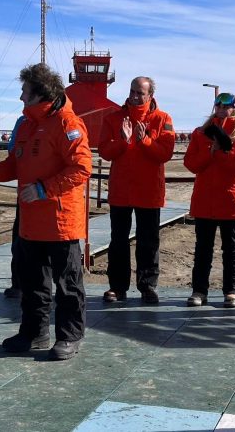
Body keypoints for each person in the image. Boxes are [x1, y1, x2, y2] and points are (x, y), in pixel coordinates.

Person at [0, 63, 91, 360]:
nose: (20, 98)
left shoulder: (68, 124)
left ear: (40, 94)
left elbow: (81, 168)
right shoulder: (28, 124)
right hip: (31, 221)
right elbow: (14, 165)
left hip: (60, 221)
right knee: (32, 283)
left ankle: (69, 336)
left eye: (24, 92)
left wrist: (43, 189)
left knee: (67, 285)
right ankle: (34, 332)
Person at [98, 76, 175, 304]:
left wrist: (145, 141)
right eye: (132, 91)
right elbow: (104, 150)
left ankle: (148, 286)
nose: (134, 96)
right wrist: (123, 141)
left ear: (150, 95)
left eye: (140, 93)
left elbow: (166, 153)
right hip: (121, 190)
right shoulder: (114, 118)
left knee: (148, 241)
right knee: (118, 240)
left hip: (149, 191)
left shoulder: (163, 119)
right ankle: (118, 287)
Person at [183, 93, 235, 308]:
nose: (222, 109)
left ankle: (231, 292)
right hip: (205, 199)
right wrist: (210, 151)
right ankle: (199, 291)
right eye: (219, 105)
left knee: (231, 248)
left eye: (227, 106)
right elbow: (191, 163)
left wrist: (221, 154)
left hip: (232, 199)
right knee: (202, 248)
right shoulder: (201, 133)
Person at [3, 114, 26, 299]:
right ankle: (18, 283)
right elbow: (13, 151)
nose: (22, 98)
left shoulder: (23, 121)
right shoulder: (23, 121)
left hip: (34, 192)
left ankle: (19, 284)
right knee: (20, 239)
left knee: (20, 239)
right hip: (27, 192)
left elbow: (13, 150)